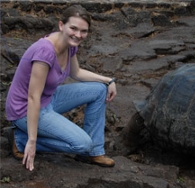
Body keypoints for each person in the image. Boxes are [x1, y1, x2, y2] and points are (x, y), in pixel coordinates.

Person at [4, 5, 117, 171]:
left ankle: (94, 152)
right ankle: (20, 139)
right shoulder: (45, 51)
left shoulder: (70, 45)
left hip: (49, 98)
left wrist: (108, 80)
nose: (78, 35)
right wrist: (32, 140)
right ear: (61, 25)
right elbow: (33, 97)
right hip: (25, 110)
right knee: (83, 144)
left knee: (99, 90)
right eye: (73, 28)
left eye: (83, 31)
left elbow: (76, 72)